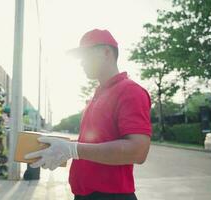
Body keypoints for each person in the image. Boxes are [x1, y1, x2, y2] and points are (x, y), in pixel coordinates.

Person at [25, 29, 152, 200]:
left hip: (111, 196)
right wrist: (61, 149)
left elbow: (137, 151)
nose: (81, 63)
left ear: (106, 52)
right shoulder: (98, 95)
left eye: (85, 55)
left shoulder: (130, 91)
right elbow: (94, 143)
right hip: (85, 195)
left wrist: (73, 149)